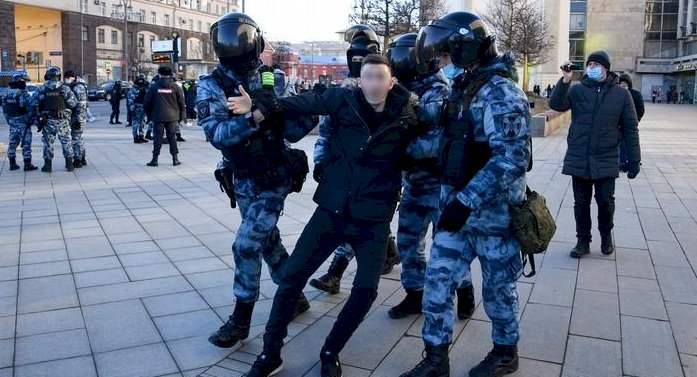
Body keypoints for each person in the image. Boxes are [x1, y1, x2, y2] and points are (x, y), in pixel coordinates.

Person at [229, 52, 439, 377]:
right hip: (332, 211)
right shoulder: (343, 99)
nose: (373, 83)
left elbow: (444, 133)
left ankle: (330, 350)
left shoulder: (407, 116)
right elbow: (299, 103)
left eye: (380, 77)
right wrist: (257, 109)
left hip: (373, 219)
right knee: (290, 279)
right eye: (367, 77)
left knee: (366, 291)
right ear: (360, 79)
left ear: (391, 81)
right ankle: (270, 353)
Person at [401, 11, 531, 377]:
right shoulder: (465, 88)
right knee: (437, 285)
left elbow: (512, 158)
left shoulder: (502, 93)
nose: (441, 63)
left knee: (498, 292)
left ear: (464, 49)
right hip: (455, 215)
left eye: (444, 56)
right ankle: (435, 359)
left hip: (494, 217)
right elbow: (448, 142)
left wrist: (466, 200)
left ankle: (506, 351)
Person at [196, 13, 311, 351]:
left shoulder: (274, 79)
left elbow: (297, 127)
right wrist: (259, 115)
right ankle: (296, 296)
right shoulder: (212, 84)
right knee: (267, 240)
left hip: (273, 176)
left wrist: (273, 109)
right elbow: (218, 134)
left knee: (246, 244)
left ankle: (241, 318)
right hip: (242, 176)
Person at [384, 33, 475, 321]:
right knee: (409, 242)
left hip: (439, 186)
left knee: (448, 246)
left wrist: (401, 149)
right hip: (413, 184)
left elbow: (437, 138)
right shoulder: (399, 89)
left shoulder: (438, 90)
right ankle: (415, 294)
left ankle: (465, 290)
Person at [308, 24, 401, 296]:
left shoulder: (386, 89)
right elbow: (326, 131)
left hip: (374, 173)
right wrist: (321, 161)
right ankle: (390, 252)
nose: (357, 60)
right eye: (354, 54)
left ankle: (335, 272)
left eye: (364, 54)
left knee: (353, 219)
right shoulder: (342, 90)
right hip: (343, 169)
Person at [550, 51, 641, 258]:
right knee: (580, 203)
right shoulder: (578, 90)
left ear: (606, 68)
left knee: (605, 202)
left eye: (596, 64)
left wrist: (634, 160)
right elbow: (556, 105)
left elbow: (630, 128)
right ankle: (583, 241)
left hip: (606, 157)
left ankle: (606, 236)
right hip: (579, 156)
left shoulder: (621, 94)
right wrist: (565, 80)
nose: (592, 67)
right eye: (590, 64)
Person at [32, 67, 78, 173]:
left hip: (47, 121)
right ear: (58, 76)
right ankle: (69, 165)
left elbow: (33, 103)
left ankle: (47, 166)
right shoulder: (65, 88)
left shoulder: (41, 89)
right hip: (63, 121)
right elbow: (73, 103)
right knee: (66, 142)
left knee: (48, 143)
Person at [144, 66, 186, 166]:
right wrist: (182, 116)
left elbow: (147, 102)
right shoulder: (175, 87)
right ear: (170, 74)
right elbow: (182, 102)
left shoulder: (154, 86)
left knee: (157, 137)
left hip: (158, 116)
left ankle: (155, 159)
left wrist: (149, 115)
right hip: (172, 116)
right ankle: (175, 159)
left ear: (159, 74)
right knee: (172, 137)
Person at [2, 74, 38, 171]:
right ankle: (27, 164)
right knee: (26, 143)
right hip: (23, 123)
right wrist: (31, 120)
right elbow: (31, 108)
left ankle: (12, 163)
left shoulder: (6, 94)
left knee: (13, 142)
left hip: (12, 122)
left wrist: (10, 121)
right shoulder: (23, 94)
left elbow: (5, 110)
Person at [618, 74, 644, 172]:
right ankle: (622, 161)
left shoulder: (635, 94)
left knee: (631, 142)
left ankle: (632, 160)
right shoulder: (617, 94)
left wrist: (636, 119)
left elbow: (640, 108)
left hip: (630, 123)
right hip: (619, 124)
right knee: (621, 143)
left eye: (624, 84)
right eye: (621, 84)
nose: (622, 86)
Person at [64, 71, 88, 168]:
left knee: (76, 138)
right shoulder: (81, 85)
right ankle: (82, 158)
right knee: (80, 138)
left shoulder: (78, 87)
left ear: (71, 77)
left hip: (78, 117)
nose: (66, 80)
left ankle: (77, 159)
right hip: (80, 116)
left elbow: (80, 105)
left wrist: (77, 119)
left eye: (66, 78)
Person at [129, 73, 150, 144]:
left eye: (142, 79)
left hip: (144, 107)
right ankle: (135, 137)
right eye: (139, 79)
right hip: (136, 107)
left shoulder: (146, 87)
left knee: (142, 122)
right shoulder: (134, 88)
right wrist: (132, 107)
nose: (141, 81)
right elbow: (131, 98)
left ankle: (141, 136)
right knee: (136, 122)